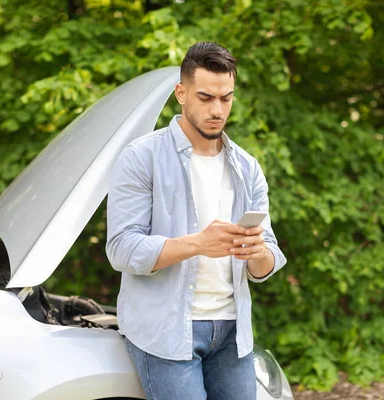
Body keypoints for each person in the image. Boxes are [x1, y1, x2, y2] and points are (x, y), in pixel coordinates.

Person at [106, 41, 287, 400]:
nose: (218, 110)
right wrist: (198, 244)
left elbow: (269, 259)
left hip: (233, 333)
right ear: (181, 93)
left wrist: (258, 253)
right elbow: (121, 249)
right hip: (166, 331)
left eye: (226, 98)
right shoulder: (141, 158)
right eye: (205, 98)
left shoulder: (247, 167)